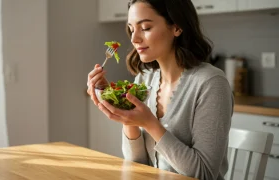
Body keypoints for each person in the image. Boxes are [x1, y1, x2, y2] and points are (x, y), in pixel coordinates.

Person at [86, 0, 233, 179]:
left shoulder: (210, 83)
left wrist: (150, 123)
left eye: (146, 28)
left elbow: (204, 174)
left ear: (177, 27)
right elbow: (137, 163)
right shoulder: (144, 79)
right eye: (131, 29)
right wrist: (124, 109)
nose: (134, 39)